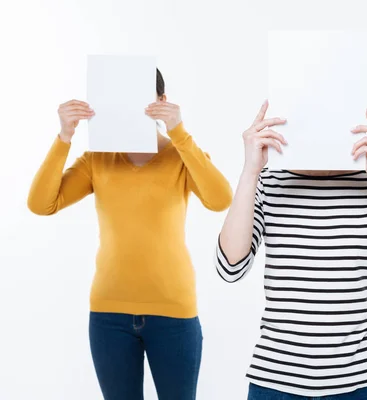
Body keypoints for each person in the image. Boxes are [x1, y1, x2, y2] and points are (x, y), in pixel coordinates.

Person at [27, 69, 232, 399]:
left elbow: (220, 199)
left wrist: (179, 133)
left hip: (174, 312)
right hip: (109, 315)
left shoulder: (182, 156)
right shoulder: (98, 159)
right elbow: (41, 204)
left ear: (161, 102)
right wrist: (64, 136)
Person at [215, 101, 367, 399]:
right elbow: (229, 268)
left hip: (362, 381)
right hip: (275, 380)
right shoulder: (268, 180)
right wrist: (250, 171)